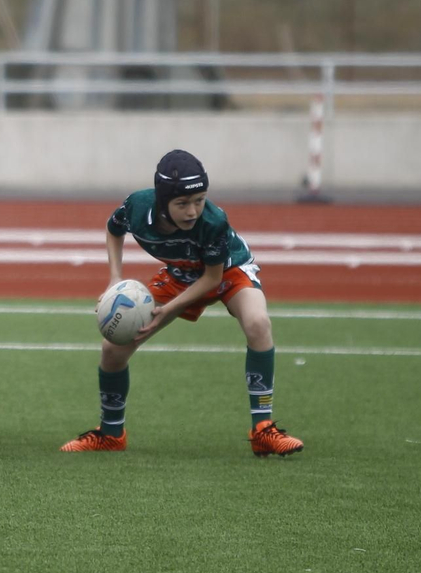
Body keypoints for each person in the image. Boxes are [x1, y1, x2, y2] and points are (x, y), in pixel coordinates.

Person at [61, 149, 303, 457]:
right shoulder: (137, 207)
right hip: (180, 274)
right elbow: (114, 230)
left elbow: (212, 279)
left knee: (258, 323)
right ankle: (111, 434)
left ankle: (262, 430)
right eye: (183, 203)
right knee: (112, 349)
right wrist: (114, 278)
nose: (193, 211)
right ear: (163, 201)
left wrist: (167, 311)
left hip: (228, 269)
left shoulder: (213, 221)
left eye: (200, 200)